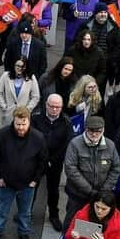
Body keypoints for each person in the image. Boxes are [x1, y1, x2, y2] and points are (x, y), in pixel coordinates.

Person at [0, 106, 48, 239]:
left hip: (27, 185)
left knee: (25, 213)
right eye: (17, 124)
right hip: (6, 183)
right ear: (13, 121)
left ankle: (24, 234)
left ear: (29, 121)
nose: (20, 127)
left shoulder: (38, 138)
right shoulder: (3, 134)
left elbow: (43, 161)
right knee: (2, 210)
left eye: (23, 124)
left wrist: (35, 180)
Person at [64, 116, 120, 231]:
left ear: (103, 130)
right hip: (78, 195)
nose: (94, 134)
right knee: (72, 222)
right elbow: (71, 169)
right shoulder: (75, 144)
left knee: (94, 225)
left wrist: (104, 191)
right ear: (86, 129)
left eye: (98, 131)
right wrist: (90, 191)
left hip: (100, 197)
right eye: (91, 131)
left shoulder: (110, 145)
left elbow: (115, 168)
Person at [32, 94, 73, 232]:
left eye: (58, 107)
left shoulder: (66, 122)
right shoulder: (36, 118)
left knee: (53, 190)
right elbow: (32, 138)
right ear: (46, 105)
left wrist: (52, 160)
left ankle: (54, 215)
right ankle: (26, 211)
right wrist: (42, 158)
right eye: (52, 106)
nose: (55, 109)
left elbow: (67, 144)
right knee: (32, 187)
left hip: (55, 163)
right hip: (37, 160)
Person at [0, 57, 41, 128]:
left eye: (23, 66)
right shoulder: (6, 76)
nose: (20, 68)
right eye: (18, 66)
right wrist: (4, 106)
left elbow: (36, 97)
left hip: (23, 116)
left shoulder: (31, 78)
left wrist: (27, 109)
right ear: (14, 65)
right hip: (8, 114)